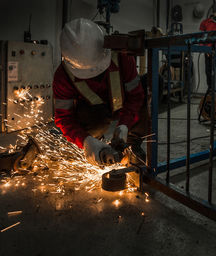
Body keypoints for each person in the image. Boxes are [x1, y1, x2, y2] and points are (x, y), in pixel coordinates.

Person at [52, 18, 146, 165]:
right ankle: (97, 145)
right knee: (86, 118)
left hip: (123, 103)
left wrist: (125, 124)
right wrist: (85, 140)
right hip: (95, 113)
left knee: (144, 105)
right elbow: (64, 118)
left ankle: (131, 146)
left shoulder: (122, 57)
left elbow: (136, 96)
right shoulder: (62, 76)